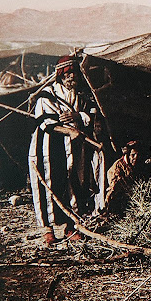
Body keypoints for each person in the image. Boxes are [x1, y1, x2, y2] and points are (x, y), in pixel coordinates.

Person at [28, 55, 94, 245]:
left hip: (73, 150)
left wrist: (76, 115)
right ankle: (48, 230)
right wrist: (69, 129)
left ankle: (70, 227)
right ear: (60, 76)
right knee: (48, 186)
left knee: (72, 185)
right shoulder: (48, 95)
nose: (71, 77)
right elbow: (45, 122)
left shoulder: (81, 96)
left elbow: (91, 114)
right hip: (48, 149)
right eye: (67, 74)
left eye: (74, 73)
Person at [105, 140, 144, 214]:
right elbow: (113, 188)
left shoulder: (135, 165)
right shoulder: (118, 167)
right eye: (133, 155)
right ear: (128, 155)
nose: (135, 158)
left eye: (137, 155)